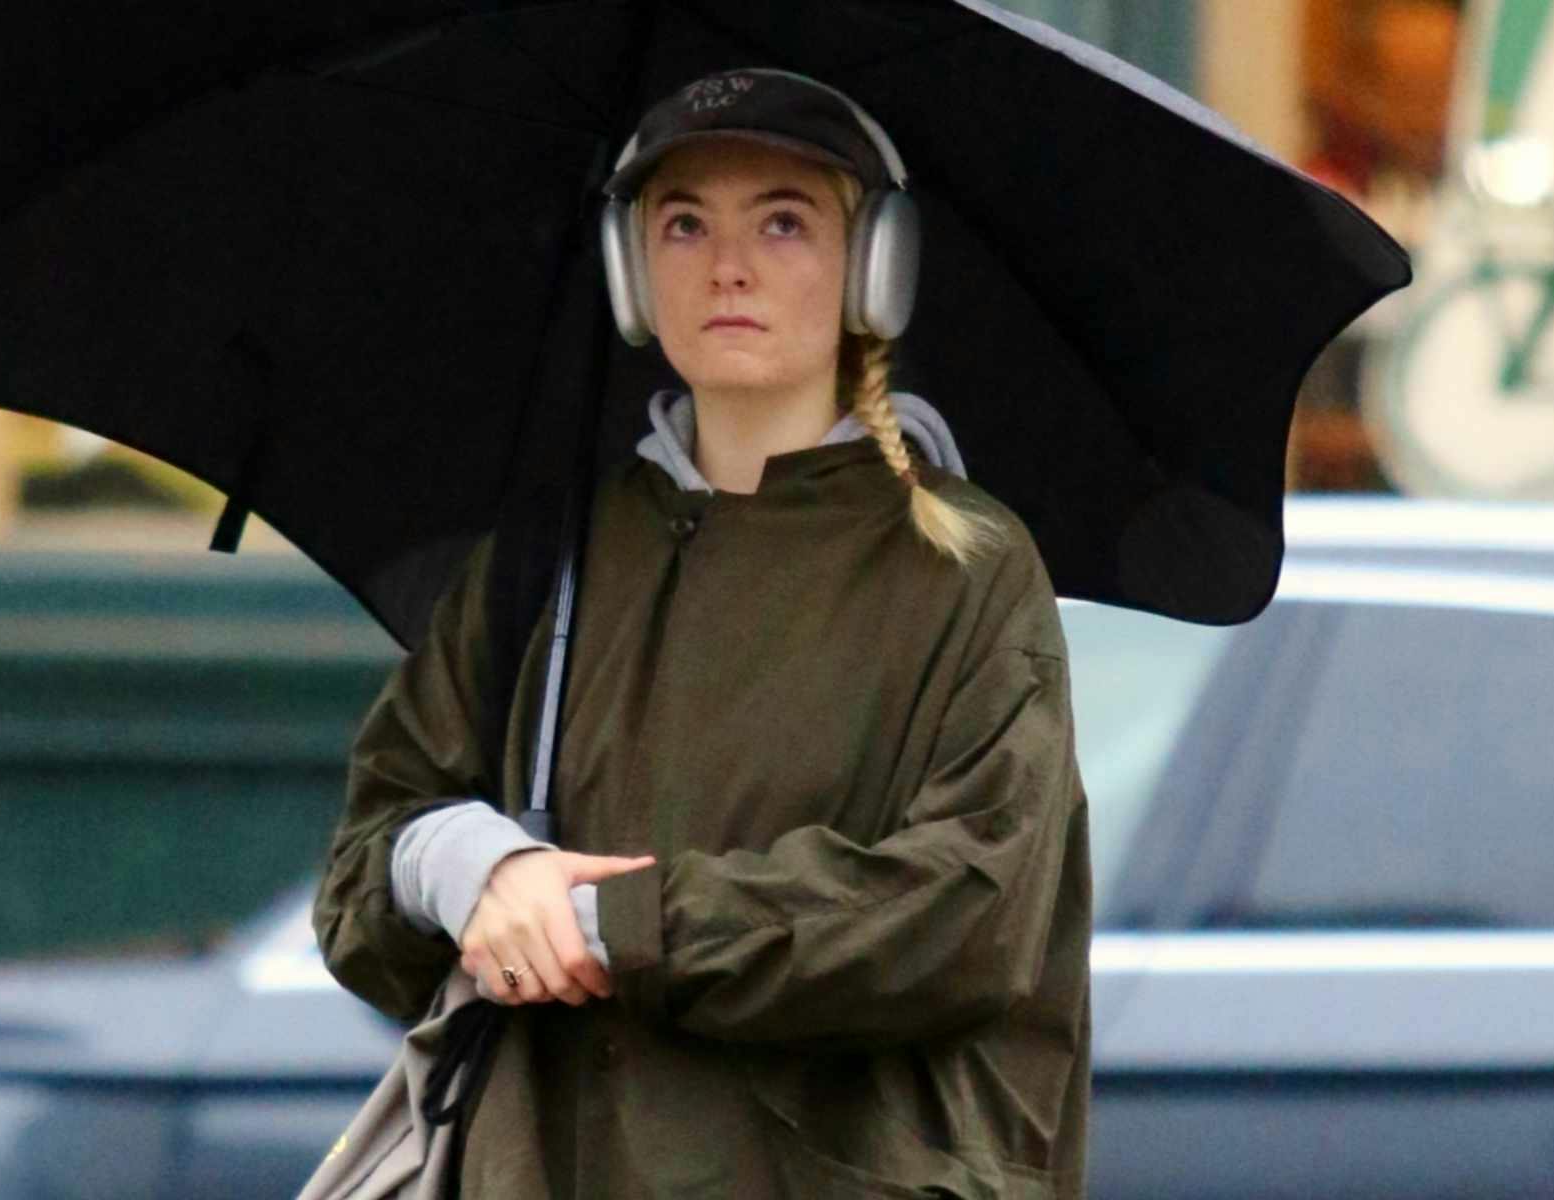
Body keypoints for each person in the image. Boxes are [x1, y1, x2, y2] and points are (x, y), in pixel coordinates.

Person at [313, 67, 1092, 1199]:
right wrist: (473, 870)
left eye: (784, 220)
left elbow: (963, 915)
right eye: (683, 224)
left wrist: (612, 923)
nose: (727, 265)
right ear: (633, 272)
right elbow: (360, 881)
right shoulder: (551, 563)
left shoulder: (964, 572)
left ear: (875, 265)